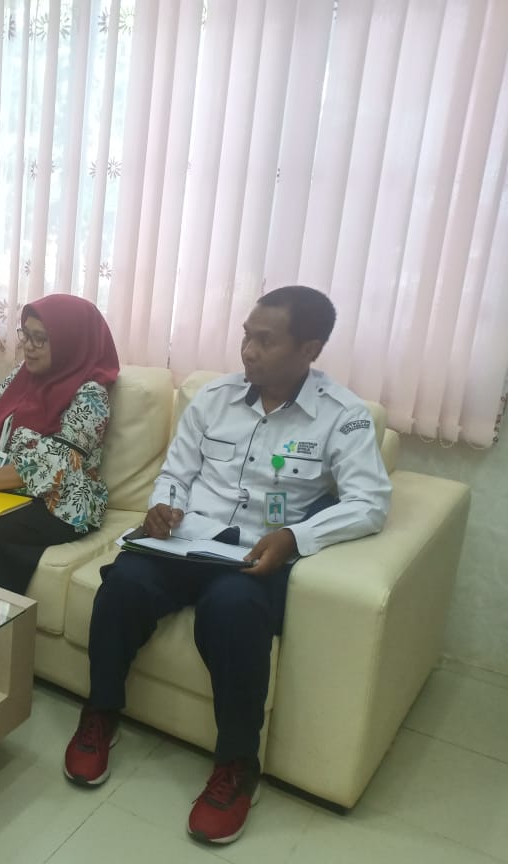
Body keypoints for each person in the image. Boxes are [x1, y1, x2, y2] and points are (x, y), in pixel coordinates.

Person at [62, 285, 392, 845]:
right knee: (123, 585)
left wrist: (295, 536)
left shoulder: (342, 417)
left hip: (254, 557)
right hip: (187, 542)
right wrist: (163, 506)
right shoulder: (214, 398)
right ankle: (101, 713)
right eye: (246, 335)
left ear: (310, 349)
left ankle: (238, 766)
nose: (248, 350)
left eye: (265, 340)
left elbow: (370, 502)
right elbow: (177, 472)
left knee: (233, 612)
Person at [0, 294, 120, 595]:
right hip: (1, 490)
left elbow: (55, 466)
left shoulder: (91, 394)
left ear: (69, 342)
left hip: (54, 503)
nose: (28, 345)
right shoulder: (22, 374)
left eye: (40, 339)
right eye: (25, 334)